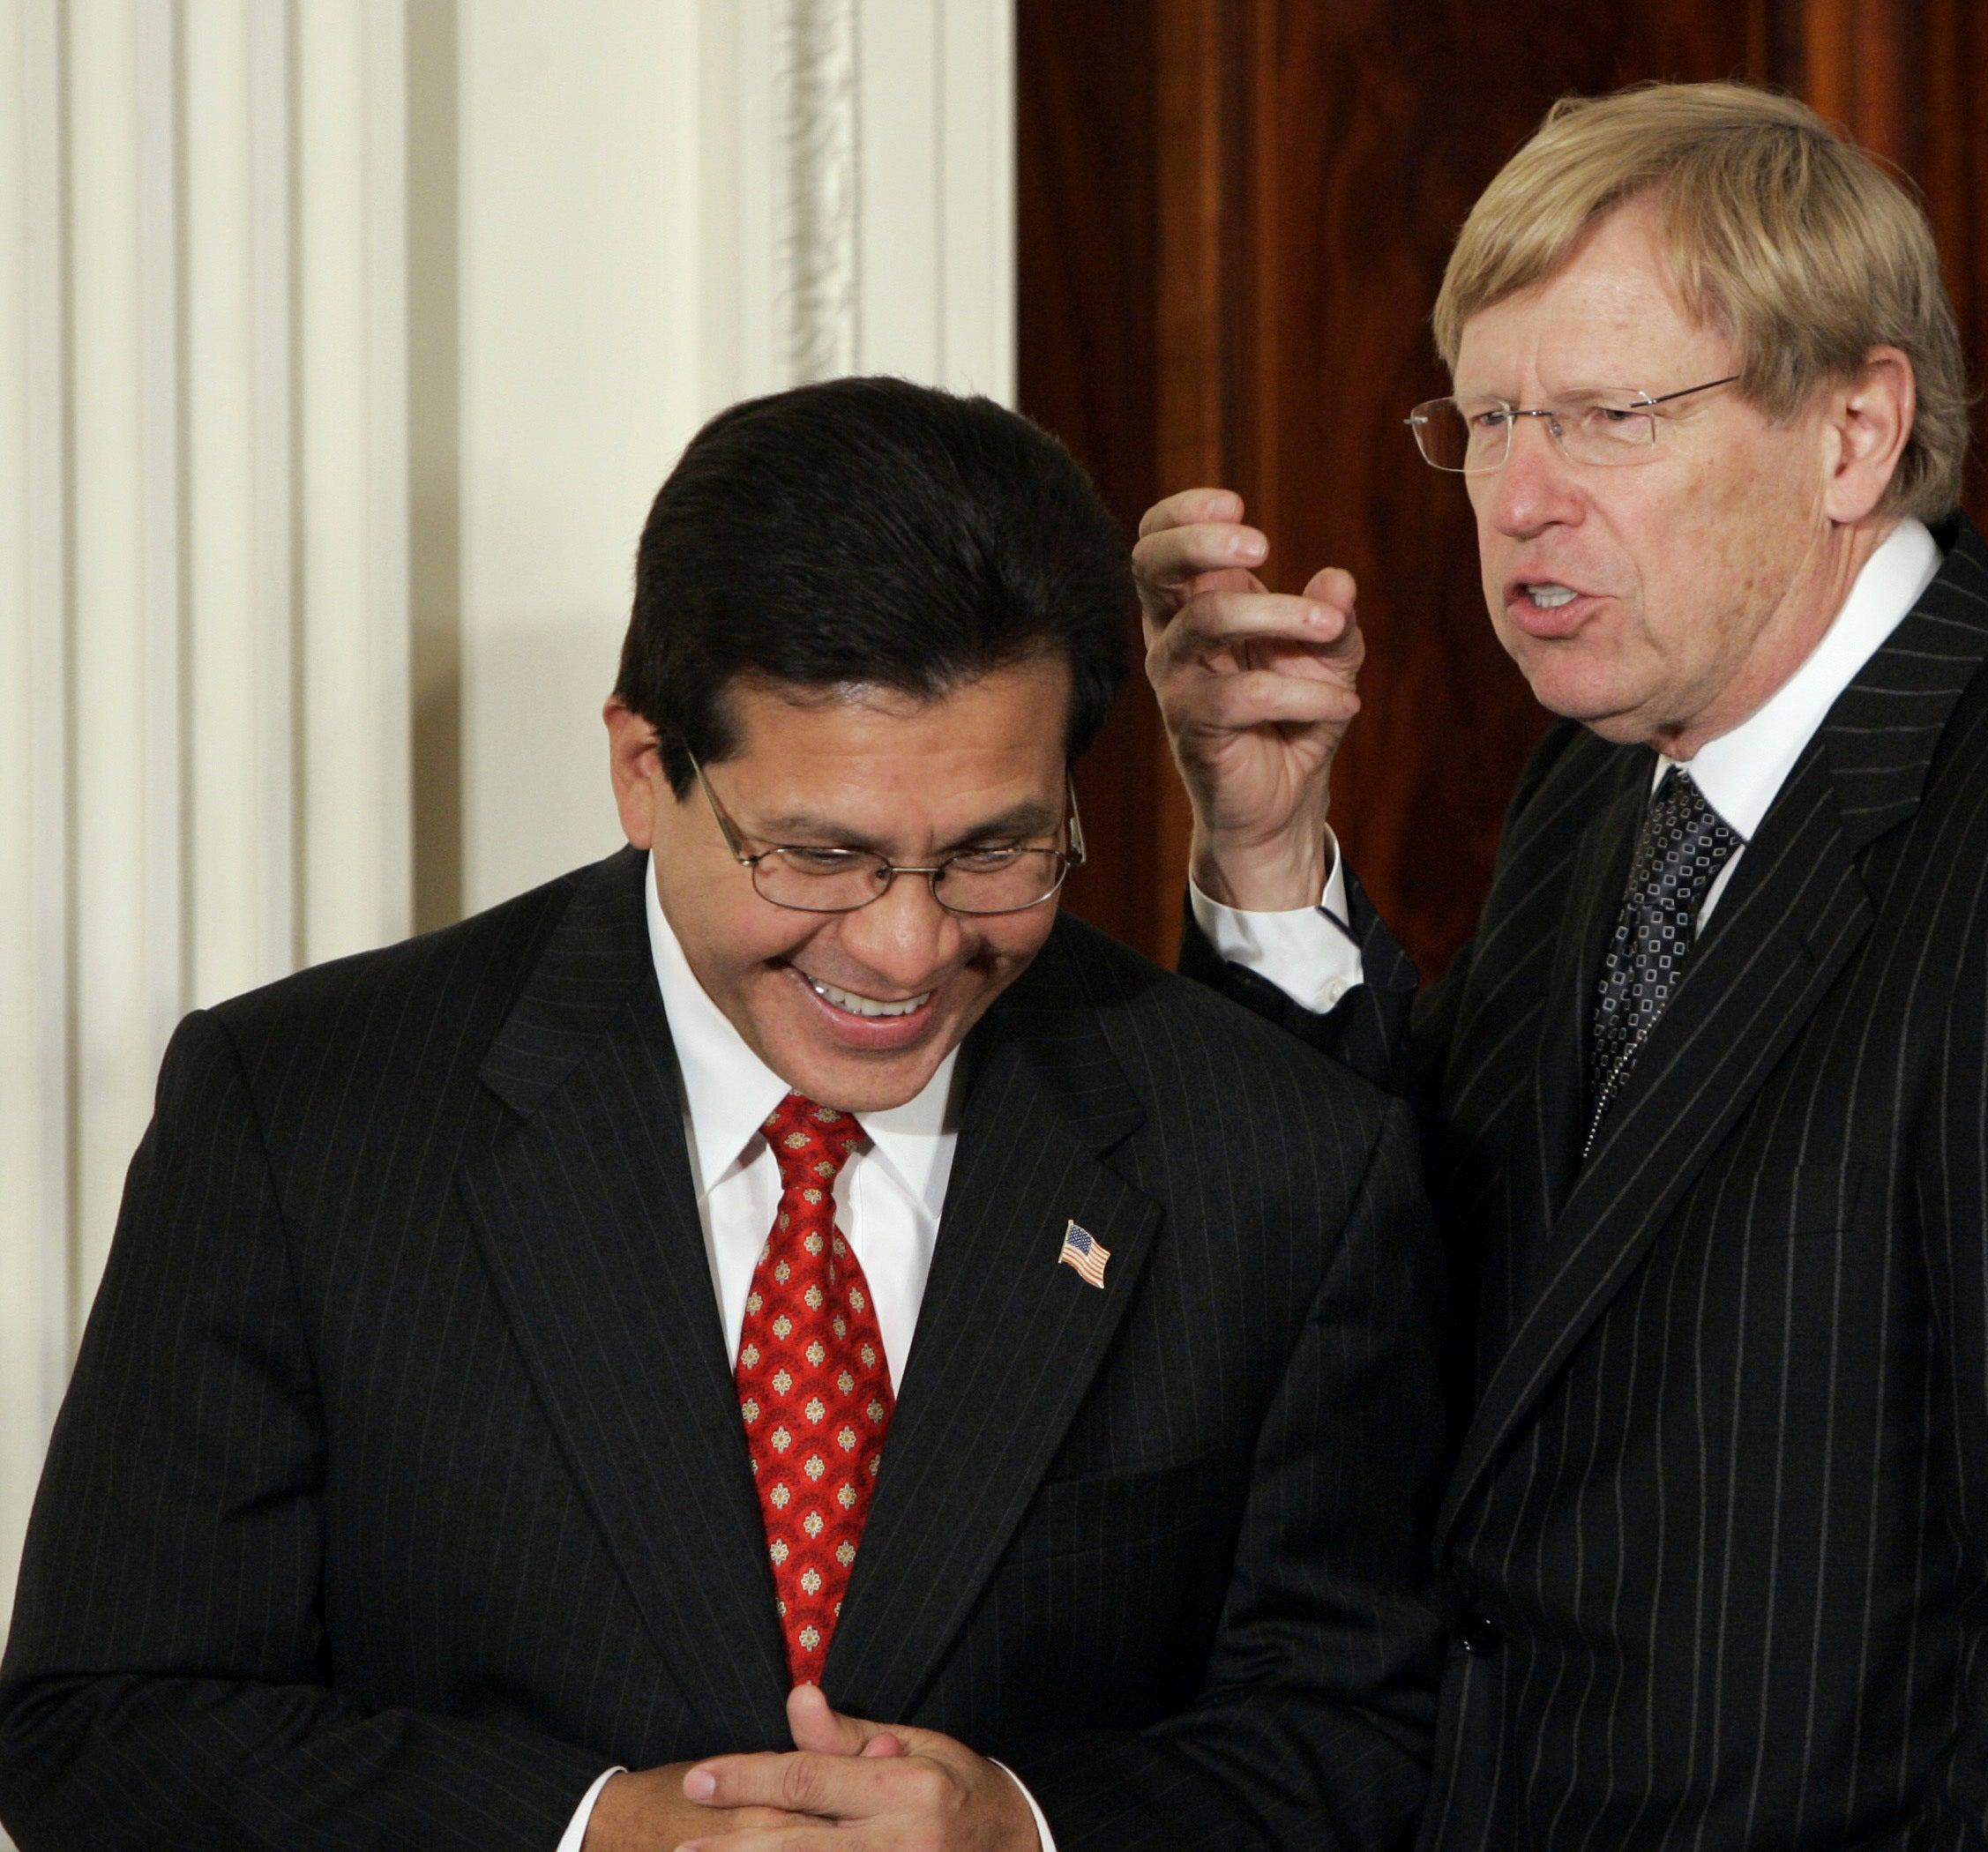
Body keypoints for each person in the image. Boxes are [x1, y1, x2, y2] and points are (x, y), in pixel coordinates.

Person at [1139, 82, 1988, 1849]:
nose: (1520, 501)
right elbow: (1420, 1299)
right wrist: (1262, 859)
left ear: (1854, 429)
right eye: (1485, 421)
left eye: (1608, 418)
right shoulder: (1605, 771)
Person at [0, 378, 1444, 1852]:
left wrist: (1033, 1829)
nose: (905, 947)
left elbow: (1358, 1733)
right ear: (646, 771)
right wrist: (587, 1834)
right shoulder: (305, 1116)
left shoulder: (1275, 1158)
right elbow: (101, 1724)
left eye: (996, 851)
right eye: (819, 855)